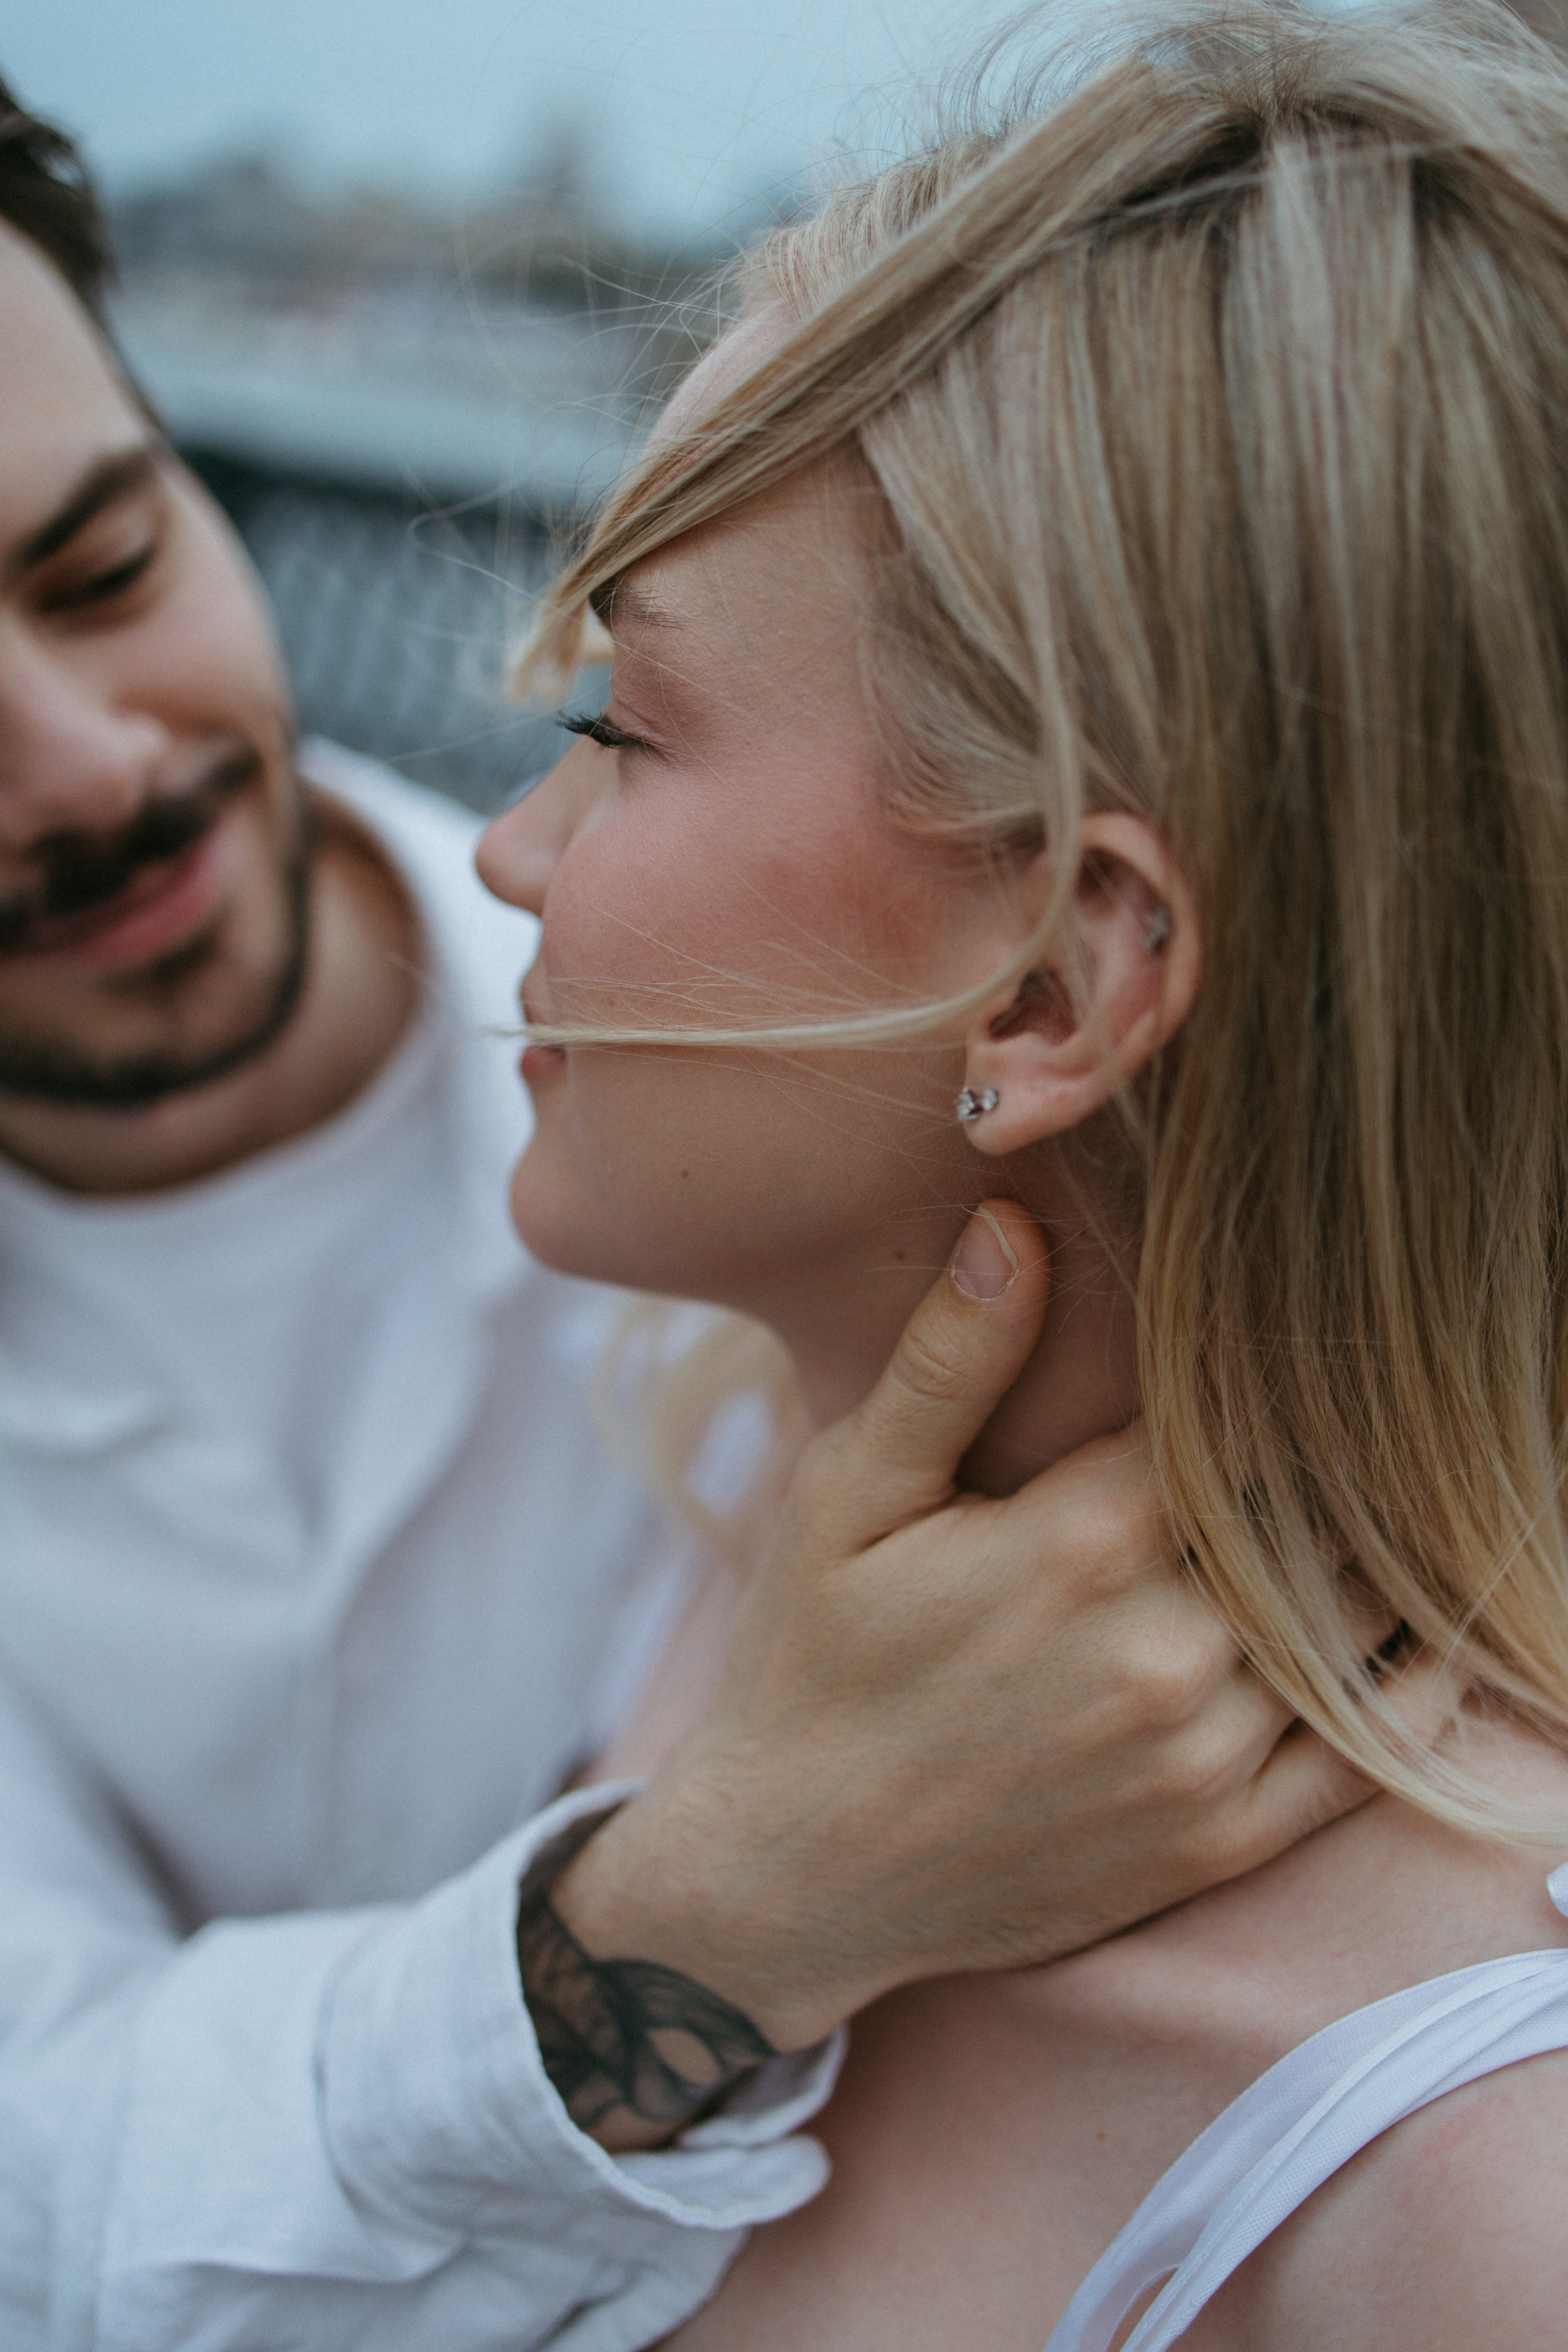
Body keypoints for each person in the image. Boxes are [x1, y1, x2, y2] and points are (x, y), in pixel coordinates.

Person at [0, 73, 1374, 2352]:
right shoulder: (737, 1135)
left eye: (107, 567)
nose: (89, 771)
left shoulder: (777, 1111)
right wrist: (719, 1899)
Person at [475, 3, 1568, 2344]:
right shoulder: (725, 1466)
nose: (504, 853)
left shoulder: (1474, 2209)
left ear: (1058, 987)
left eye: (616, 729)